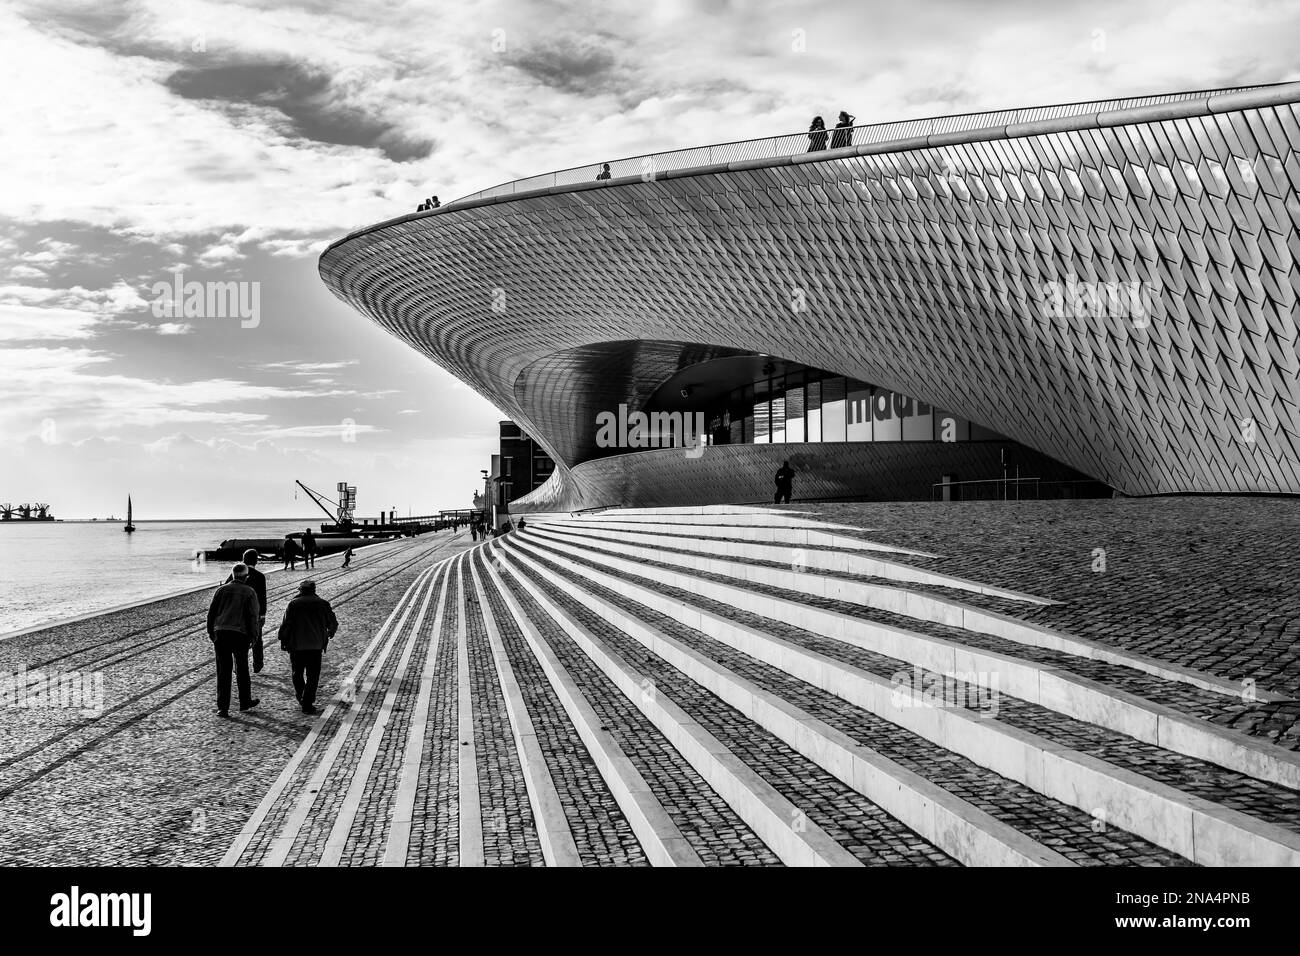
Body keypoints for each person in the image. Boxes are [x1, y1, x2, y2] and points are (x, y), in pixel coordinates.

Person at [207, 563, 261, 717]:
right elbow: (253, 617)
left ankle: (222, 707)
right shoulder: (249, 592)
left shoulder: (221, 590)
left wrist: (211, 632)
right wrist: (254, 637)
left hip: (221, 633)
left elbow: (211, 613)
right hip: (240, 634)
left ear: (232, 575)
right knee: (242, 668)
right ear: (246, 577)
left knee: (223, 671)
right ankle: (245, 702)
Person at [278, 580, 338, 715]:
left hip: (296, 645)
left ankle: (301, 696)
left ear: (300, 590)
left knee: (297, 672)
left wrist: (282, 639)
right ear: (314, 590)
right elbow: (333, 623)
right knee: (313, 675)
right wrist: (330, 633)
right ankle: (307, 702)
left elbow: (286, 624)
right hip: (315, 646)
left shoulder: (293, 604)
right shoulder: (323, 604)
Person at [225, 549, 267, 673]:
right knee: (257, 637)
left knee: (238, 638)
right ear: (256, 561)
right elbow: (262, 597)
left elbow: (227, 587)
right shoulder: (260, 576)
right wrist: (263, 614)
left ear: (244, 559)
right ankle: (257, 663)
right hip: (255, 612)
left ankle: (238, 666)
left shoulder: (235, 573)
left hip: (237, 612)